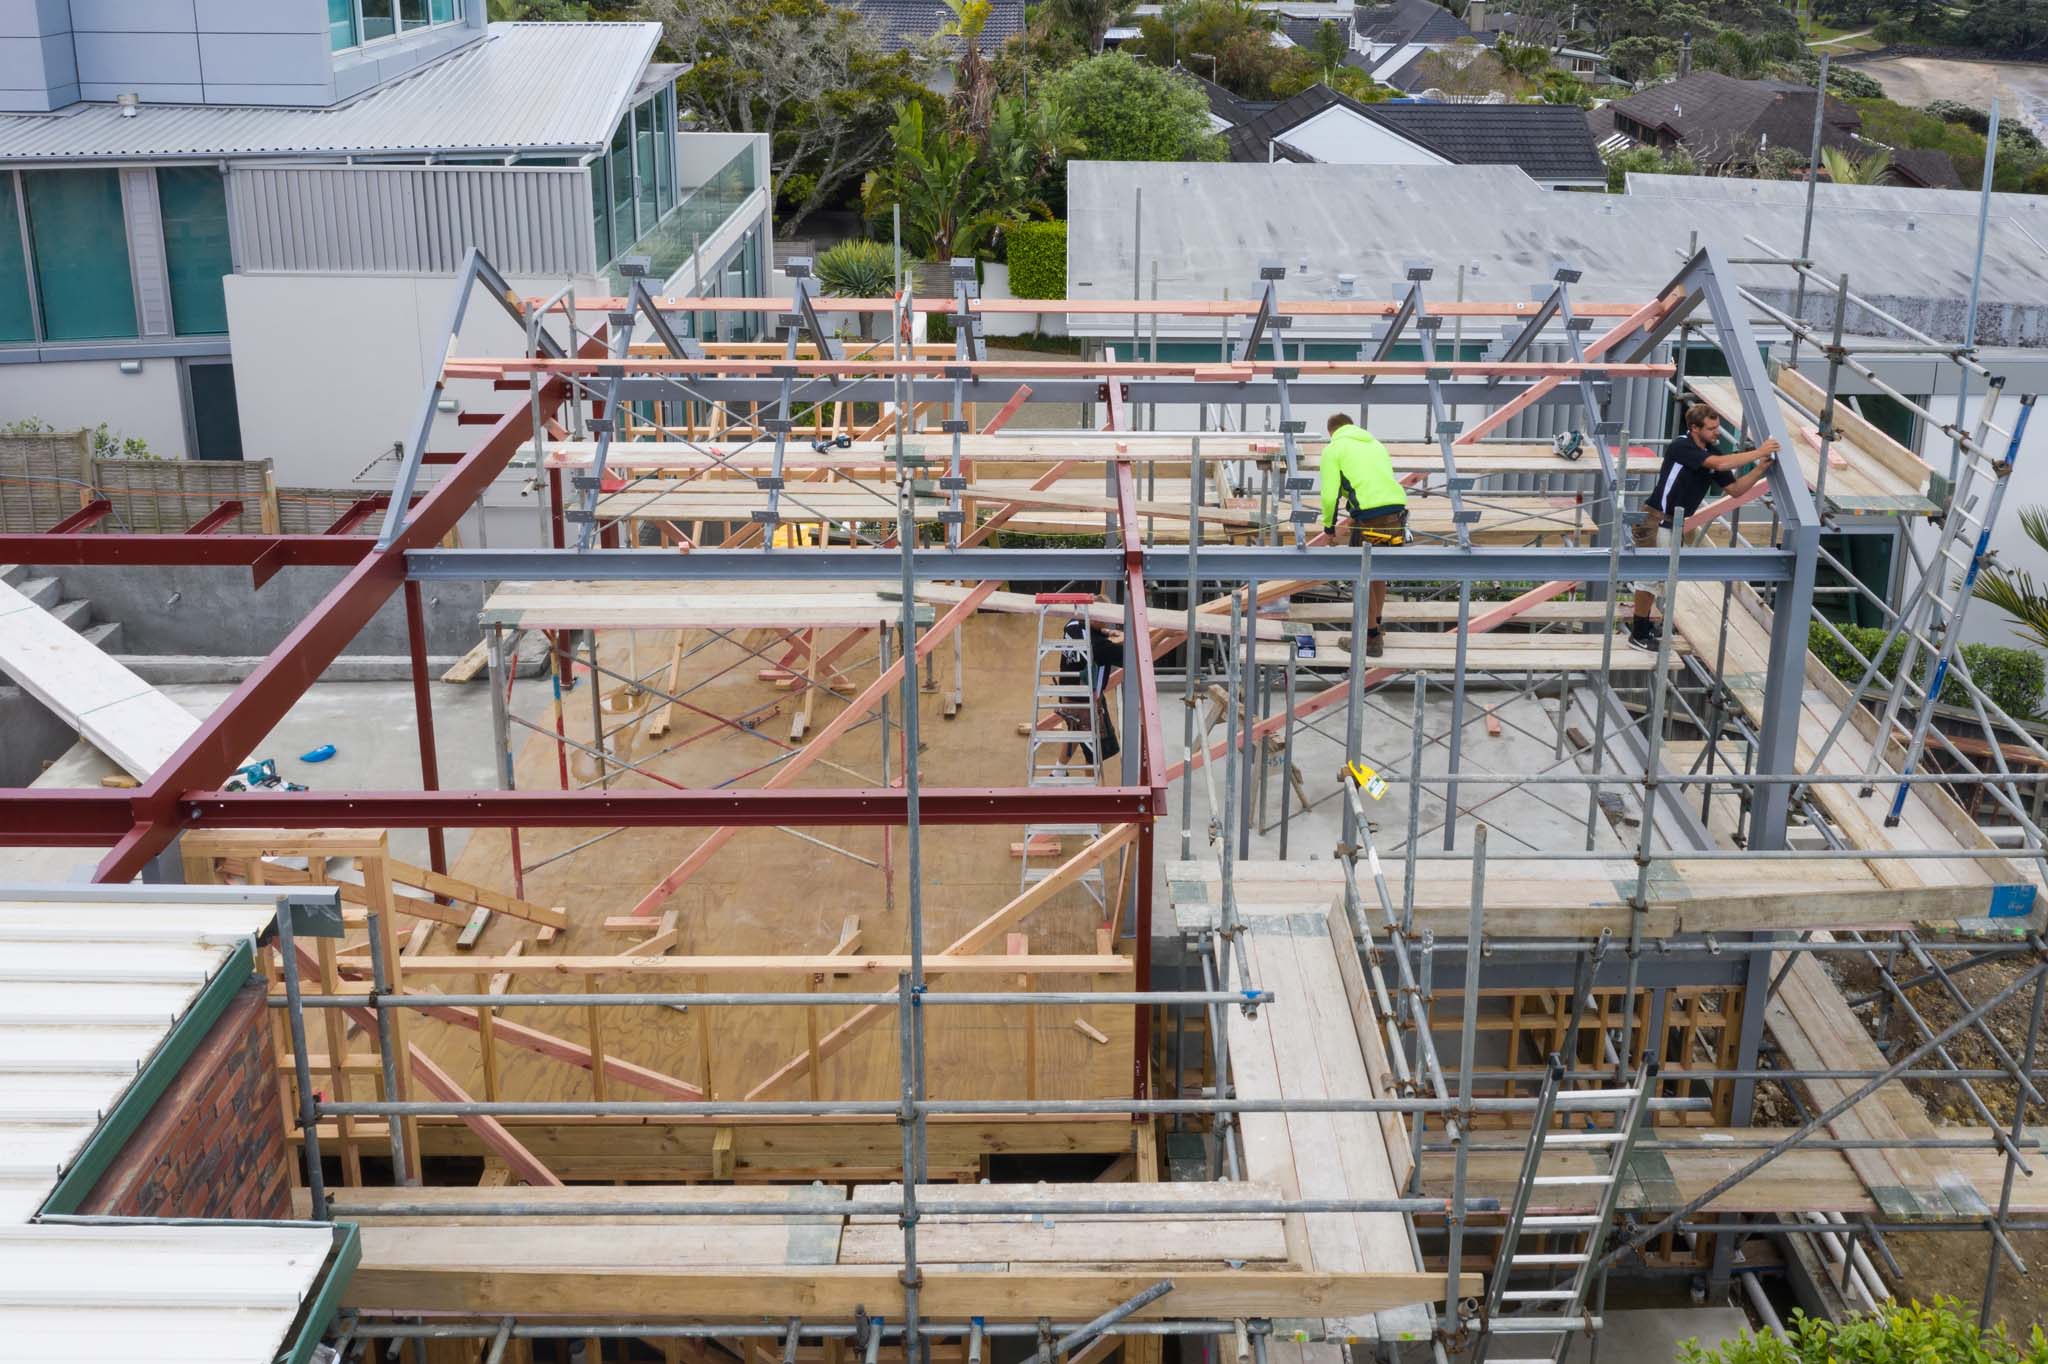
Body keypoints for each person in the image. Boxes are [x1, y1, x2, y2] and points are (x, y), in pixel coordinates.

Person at [1628, 404, 1779, 652]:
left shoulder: (1711, 451)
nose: (1717, 432)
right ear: (1694, 428)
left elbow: (1736, 490)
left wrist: (1762, 468)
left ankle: (1644, 626)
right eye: (1711, 428)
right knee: (1649, 578)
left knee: (1661, 579)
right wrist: (1758, 452)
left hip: (1675, 522)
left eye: (1717, 427)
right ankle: (1639, 633)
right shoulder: (1682, 446)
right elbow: (1718, 464)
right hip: (1657, 520)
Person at [1319, 413, 1408, 658]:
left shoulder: (1334, 448)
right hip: (1396, 515)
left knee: (1363, 575)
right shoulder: (1375, 444)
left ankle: (1370, 639)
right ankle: (1377, 626)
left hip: (1369, 518)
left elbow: (1329, 495)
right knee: (1380, 571)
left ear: (1331, 432)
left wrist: (1328, 528)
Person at [1058, 609, 1125, 766]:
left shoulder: (1072, 625)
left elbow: (1093, 629)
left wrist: (1107, 632)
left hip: (1068, 694)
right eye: (1105, 619)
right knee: (1095, 751)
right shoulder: (1100, 647)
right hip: (1087, 701)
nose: (1107, 622)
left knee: (1076, 732)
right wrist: (1164, 635)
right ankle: (1090, 786)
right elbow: (1136, 656)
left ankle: (1057, 771)